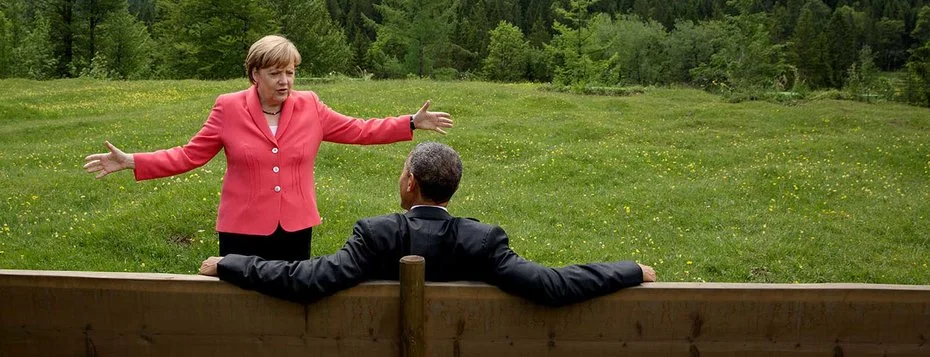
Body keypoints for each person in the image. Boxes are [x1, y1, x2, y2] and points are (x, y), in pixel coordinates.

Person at [83, 35, 453, 261]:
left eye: (290, 72)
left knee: (289, 301)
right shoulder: (228, 108)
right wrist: (133, 161)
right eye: (276, 73)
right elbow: (190, 154)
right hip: (241, 228)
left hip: (295, 227)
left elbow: (359, 129)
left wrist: (410, 122)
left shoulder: (310, 106)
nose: (285, 80)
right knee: (239, 305)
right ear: (255, 74)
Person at [200, 142, 656, 307]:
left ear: (410, 183)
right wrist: (630, 270)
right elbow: (552, 285)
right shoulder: (482, 241)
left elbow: (307, 279)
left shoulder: (376, 235)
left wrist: (231, 263)